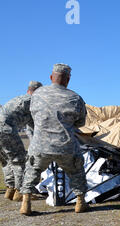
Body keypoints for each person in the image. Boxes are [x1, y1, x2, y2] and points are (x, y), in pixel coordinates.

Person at [20, 64, 89, 216]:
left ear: (51, 77)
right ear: (68, 80)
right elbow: (80, 122)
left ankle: (26, 202)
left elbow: (33, 116)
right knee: (76, 170)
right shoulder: (75, 98)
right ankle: (80, 202)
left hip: (40, 145)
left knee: (32, 170)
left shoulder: (36, 95)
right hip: (66, 146)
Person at [0, 81, 42, 201]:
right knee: (20, 161)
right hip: (6, 129)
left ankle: (10, 189)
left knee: (6, 161)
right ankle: (20, 192)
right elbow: (35, 126)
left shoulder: (18, 99)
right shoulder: (32, 101)